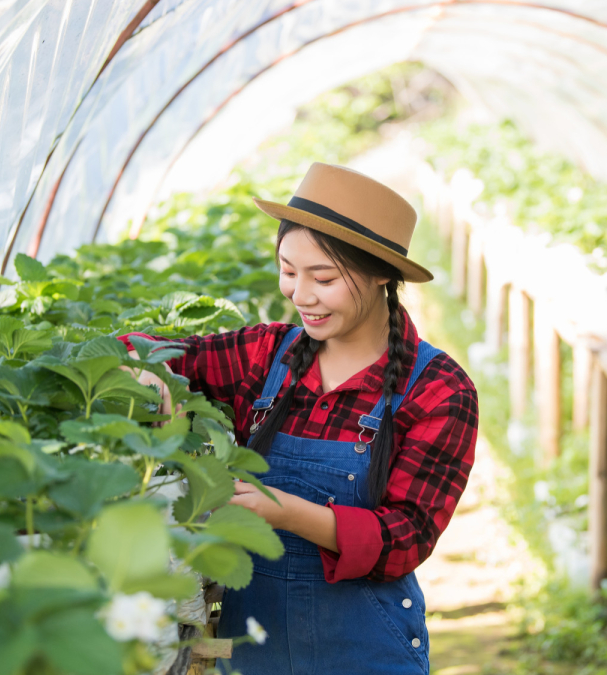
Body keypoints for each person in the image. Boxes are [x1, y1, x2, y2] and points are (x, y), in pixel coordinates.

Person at [120, 162, 478, 675]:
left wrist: (288, 513)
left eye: (323, 277)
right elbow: (143, 348)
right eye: (288, 271)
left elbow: (407, 537)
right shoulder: (268, 355)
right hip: (251, 653)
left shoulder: (438, 389)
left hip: (365, 654)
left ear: (382, 275)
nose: (300, 295)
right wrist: (148, 373)